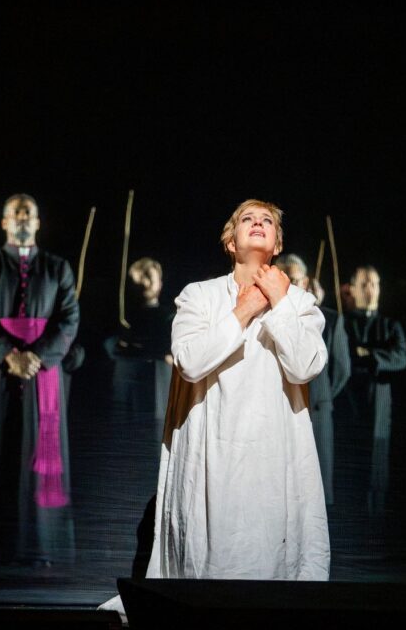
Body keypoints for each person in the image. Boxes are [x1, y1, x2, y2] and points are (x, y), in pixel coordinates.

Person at [146, 199, 329, 581]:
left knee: (265, 551)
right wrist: (243, 311)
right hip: (212, 448)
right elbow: (190, 362)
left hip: (272, 452)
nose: (258, 223)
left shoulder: (299, 302)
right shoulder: (198, 295)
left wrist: (278, 302)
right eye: (248, 219)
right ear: (231, 242)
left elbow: (305, 366)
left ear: (277, 244)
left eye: (267, 221)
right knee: (211, 551)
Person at [0, 194, 80, 565]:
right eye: (15, 213)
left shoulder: (58, 268)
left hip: (43, 372)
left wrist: (37, 356)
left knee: (39, 457)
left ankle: (40, 546)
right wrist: (9, 355)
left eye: (29, 213)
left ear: (38, 223)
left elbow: (69, 320)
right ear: (4, 223)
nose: (23, 218)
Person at [275, 253, 350, 506]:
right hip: (277, 412)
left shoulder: (331, 319)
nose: (289, 287)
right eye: (282, 280)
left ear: (305, 283)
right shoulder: (267, 318)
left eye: (295, 281)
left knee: (317, 485)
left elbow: (341, 371)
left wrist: (320, 396)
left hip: (317, 411)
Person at [337, 265, 406, 520]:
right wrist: (376, 358)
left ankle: (375, 524)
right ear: (353, 289)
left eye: (374, 284)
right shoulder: (343, 324)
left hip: (380, 402)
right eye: (365, 284)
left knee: (378, 465)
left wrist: (368, 355)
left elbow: (401, 357)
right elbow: (343, 358)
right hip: (350, 401)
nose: (370, 289)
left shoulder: (390, 326)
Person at [106, 257, 174, 423]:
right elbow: (110, 346)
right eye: (140, 277)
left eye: (149, 277)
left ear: (160, 283)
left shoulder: (170, 317)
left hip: (157, 394)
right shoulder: (121, 319)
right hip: (124, 393)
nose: (145, 282)